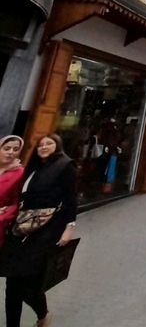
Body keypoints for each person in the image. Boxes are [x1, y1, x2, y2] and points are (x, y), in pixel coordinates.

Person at [0, 133, 77, 327]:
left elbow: (71, 199)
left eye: (49, 143)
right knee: (13, 282)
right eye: (40, 144)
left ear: (57, 146)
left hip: (46, 230)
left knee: (28, 282)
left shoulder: (64, 166)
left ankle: (43, 315)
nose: (43, 147)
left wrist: (69, 227)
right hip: (22, 228)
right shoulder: (33, 168)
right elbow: (18, 196)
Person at [0, 136, 24, 248]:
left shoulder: (19, 173)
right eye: (7, 148)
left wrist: (4, 216)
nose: (10, 152)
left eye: (15, 150)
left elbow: (18, 202)